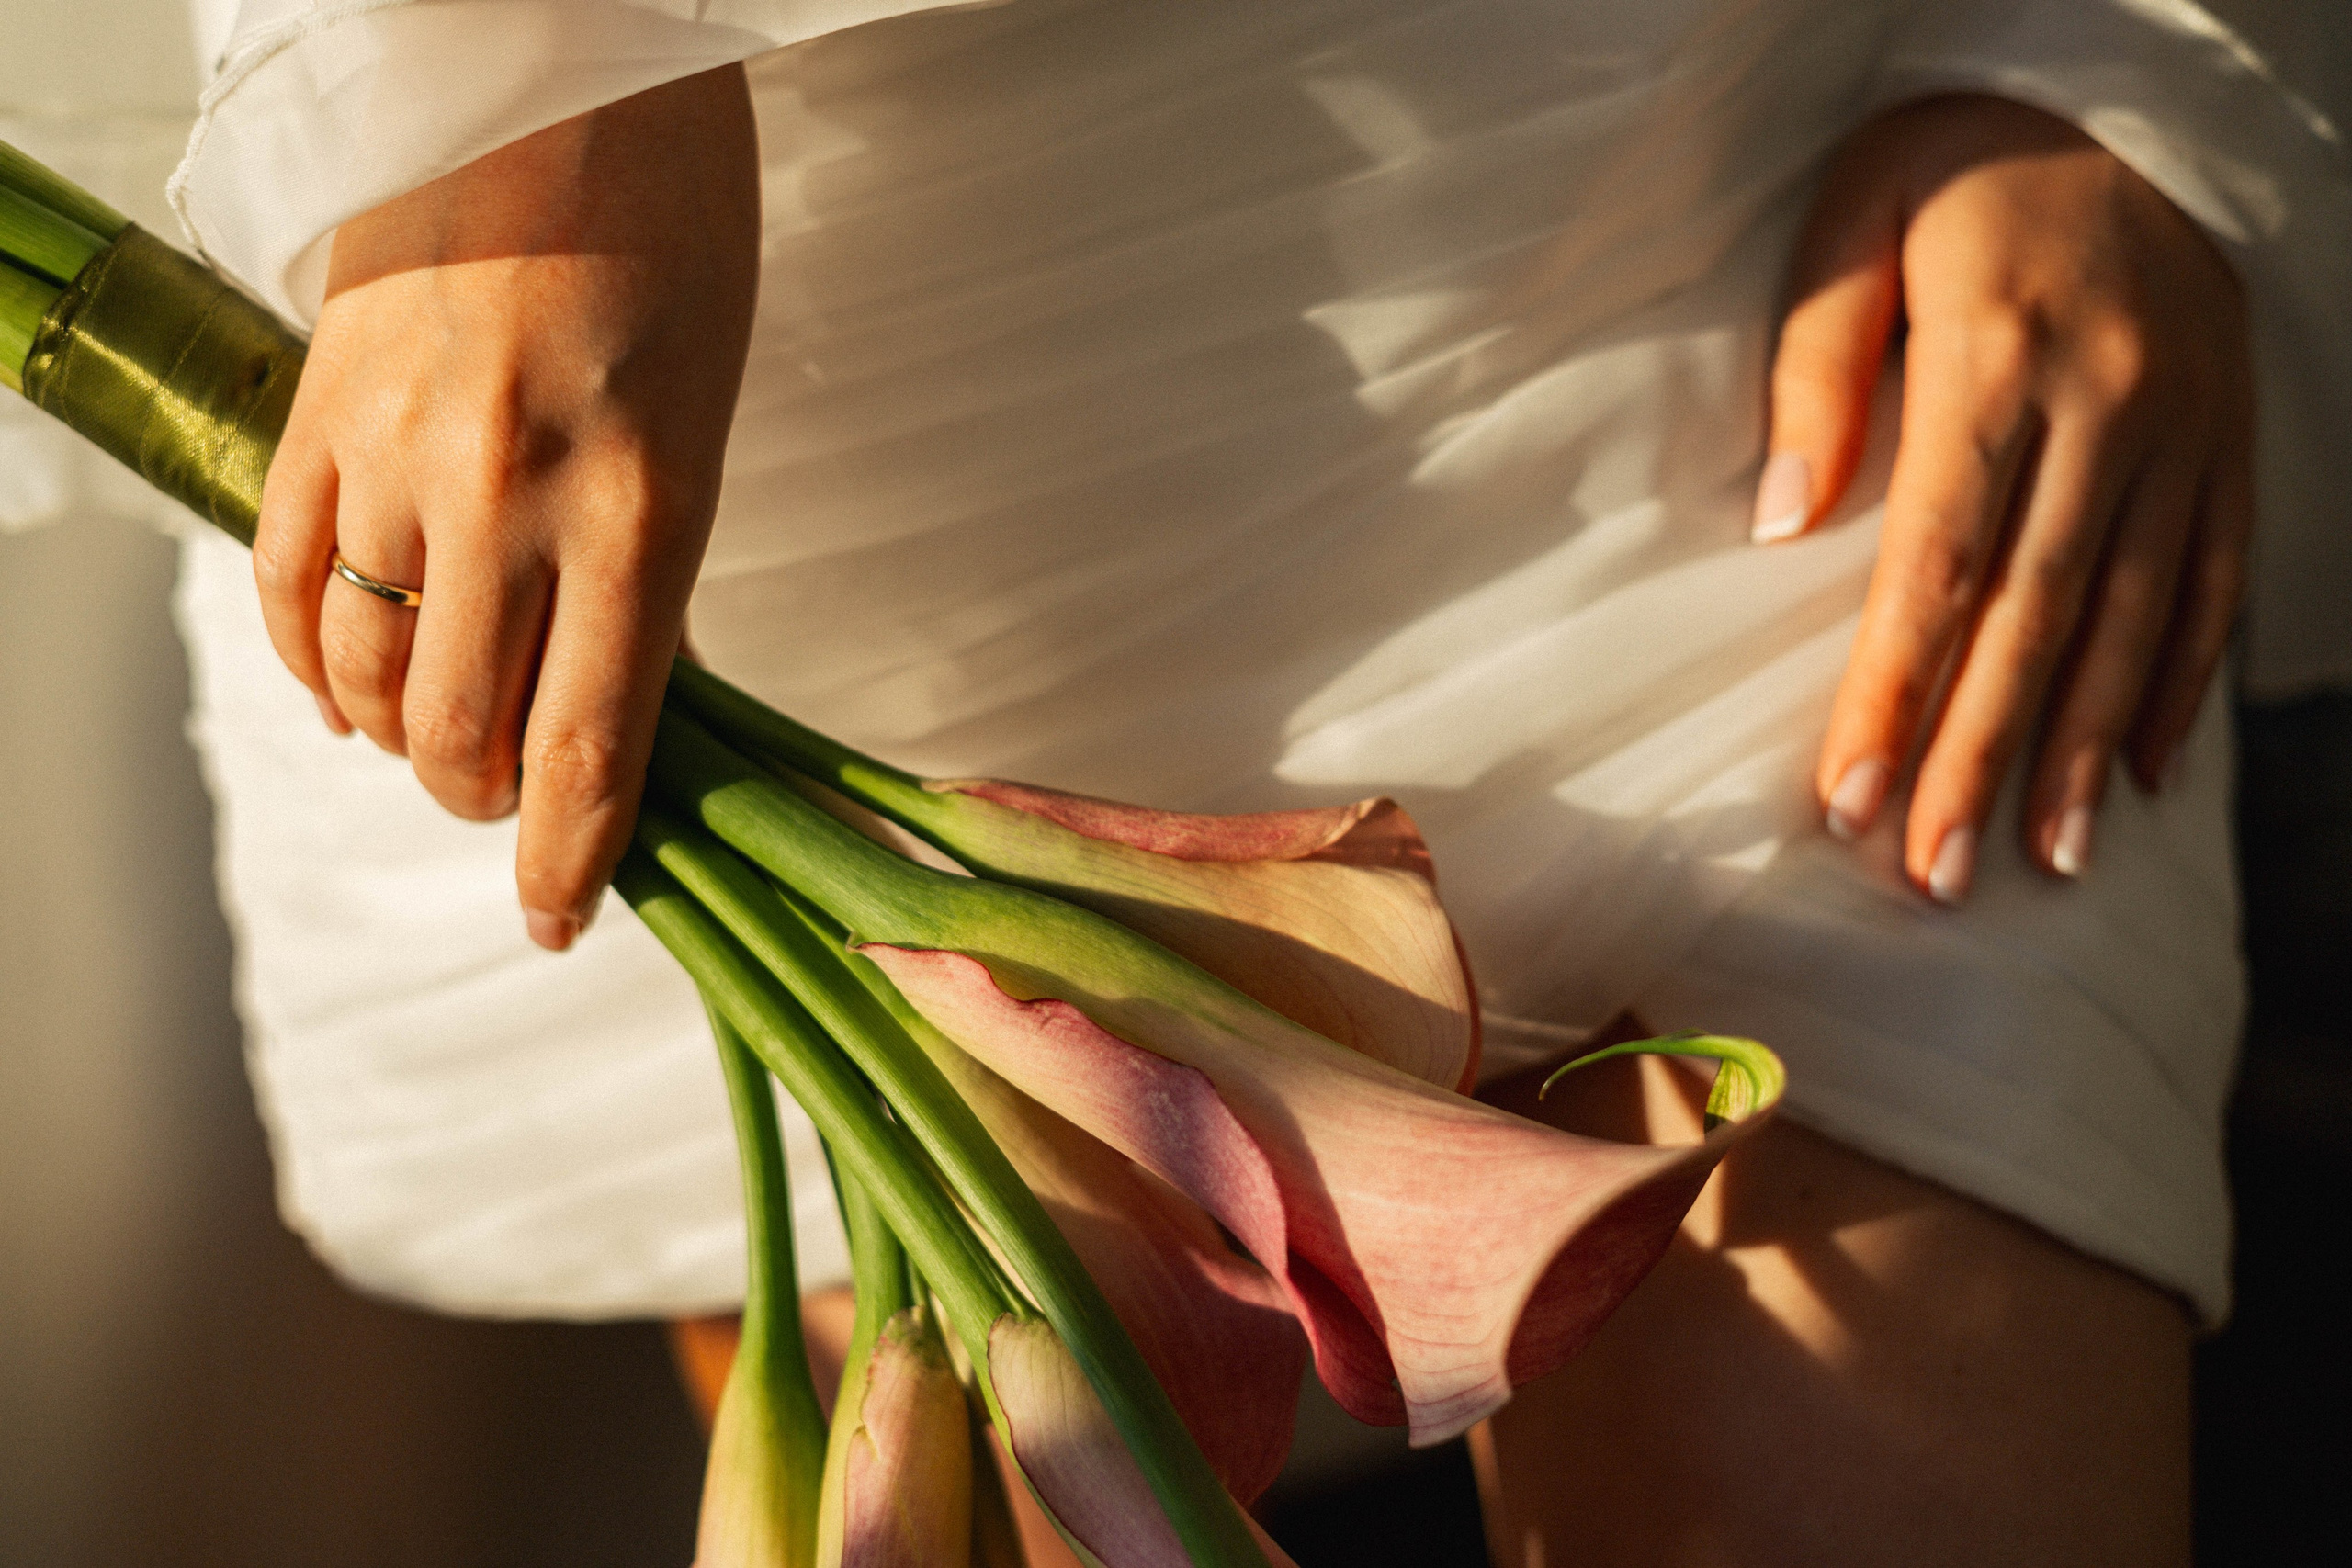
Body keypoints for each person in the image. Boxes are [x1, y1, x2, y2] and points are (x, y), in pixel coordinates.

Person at [160, 1, 2350, 1562]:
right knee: (944, 1327)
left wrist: (2136, 52)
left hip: (1694, 165)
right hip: (807, 270)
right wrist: (508, 88)